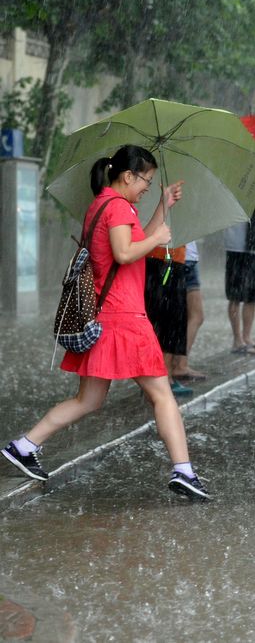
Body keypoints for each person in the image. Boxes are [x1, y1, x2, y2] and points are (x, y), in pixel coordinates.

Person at [1, 145, 210, 500]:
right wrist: (160, 239)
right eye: (146, 180)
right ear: (127, 175)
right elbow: (125, 252)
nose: (147, 186)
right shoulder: (117, 207)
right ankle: (184, 471)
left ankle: (23, 445)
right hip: (123, 317)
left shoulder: (104, 204)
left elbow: (133, 241)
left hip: (106, 316)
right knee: (162, 395)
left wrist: (163, 207)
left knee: (88, 400)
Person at [223, 144, 255, 355]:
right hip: (237, 246)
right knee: (236, 295)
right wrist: (249, 202)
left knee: (252, 296)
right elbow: (229, 206)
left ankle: (248, 336)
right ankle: (237, 340)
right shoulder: (239, 177)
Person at [145, 244, 193, 396]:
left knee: (169, 320)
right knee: (168, 321)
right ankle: (163, 379)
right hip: (164, 260)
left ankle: (162, 376)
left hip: (170, 259)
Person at [171, 240, 207, 382]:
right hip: (184, 259)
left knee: (186, 316)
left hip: (185, 258)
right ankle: (179, 364)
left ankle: (177, 363)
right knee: (195, 316)